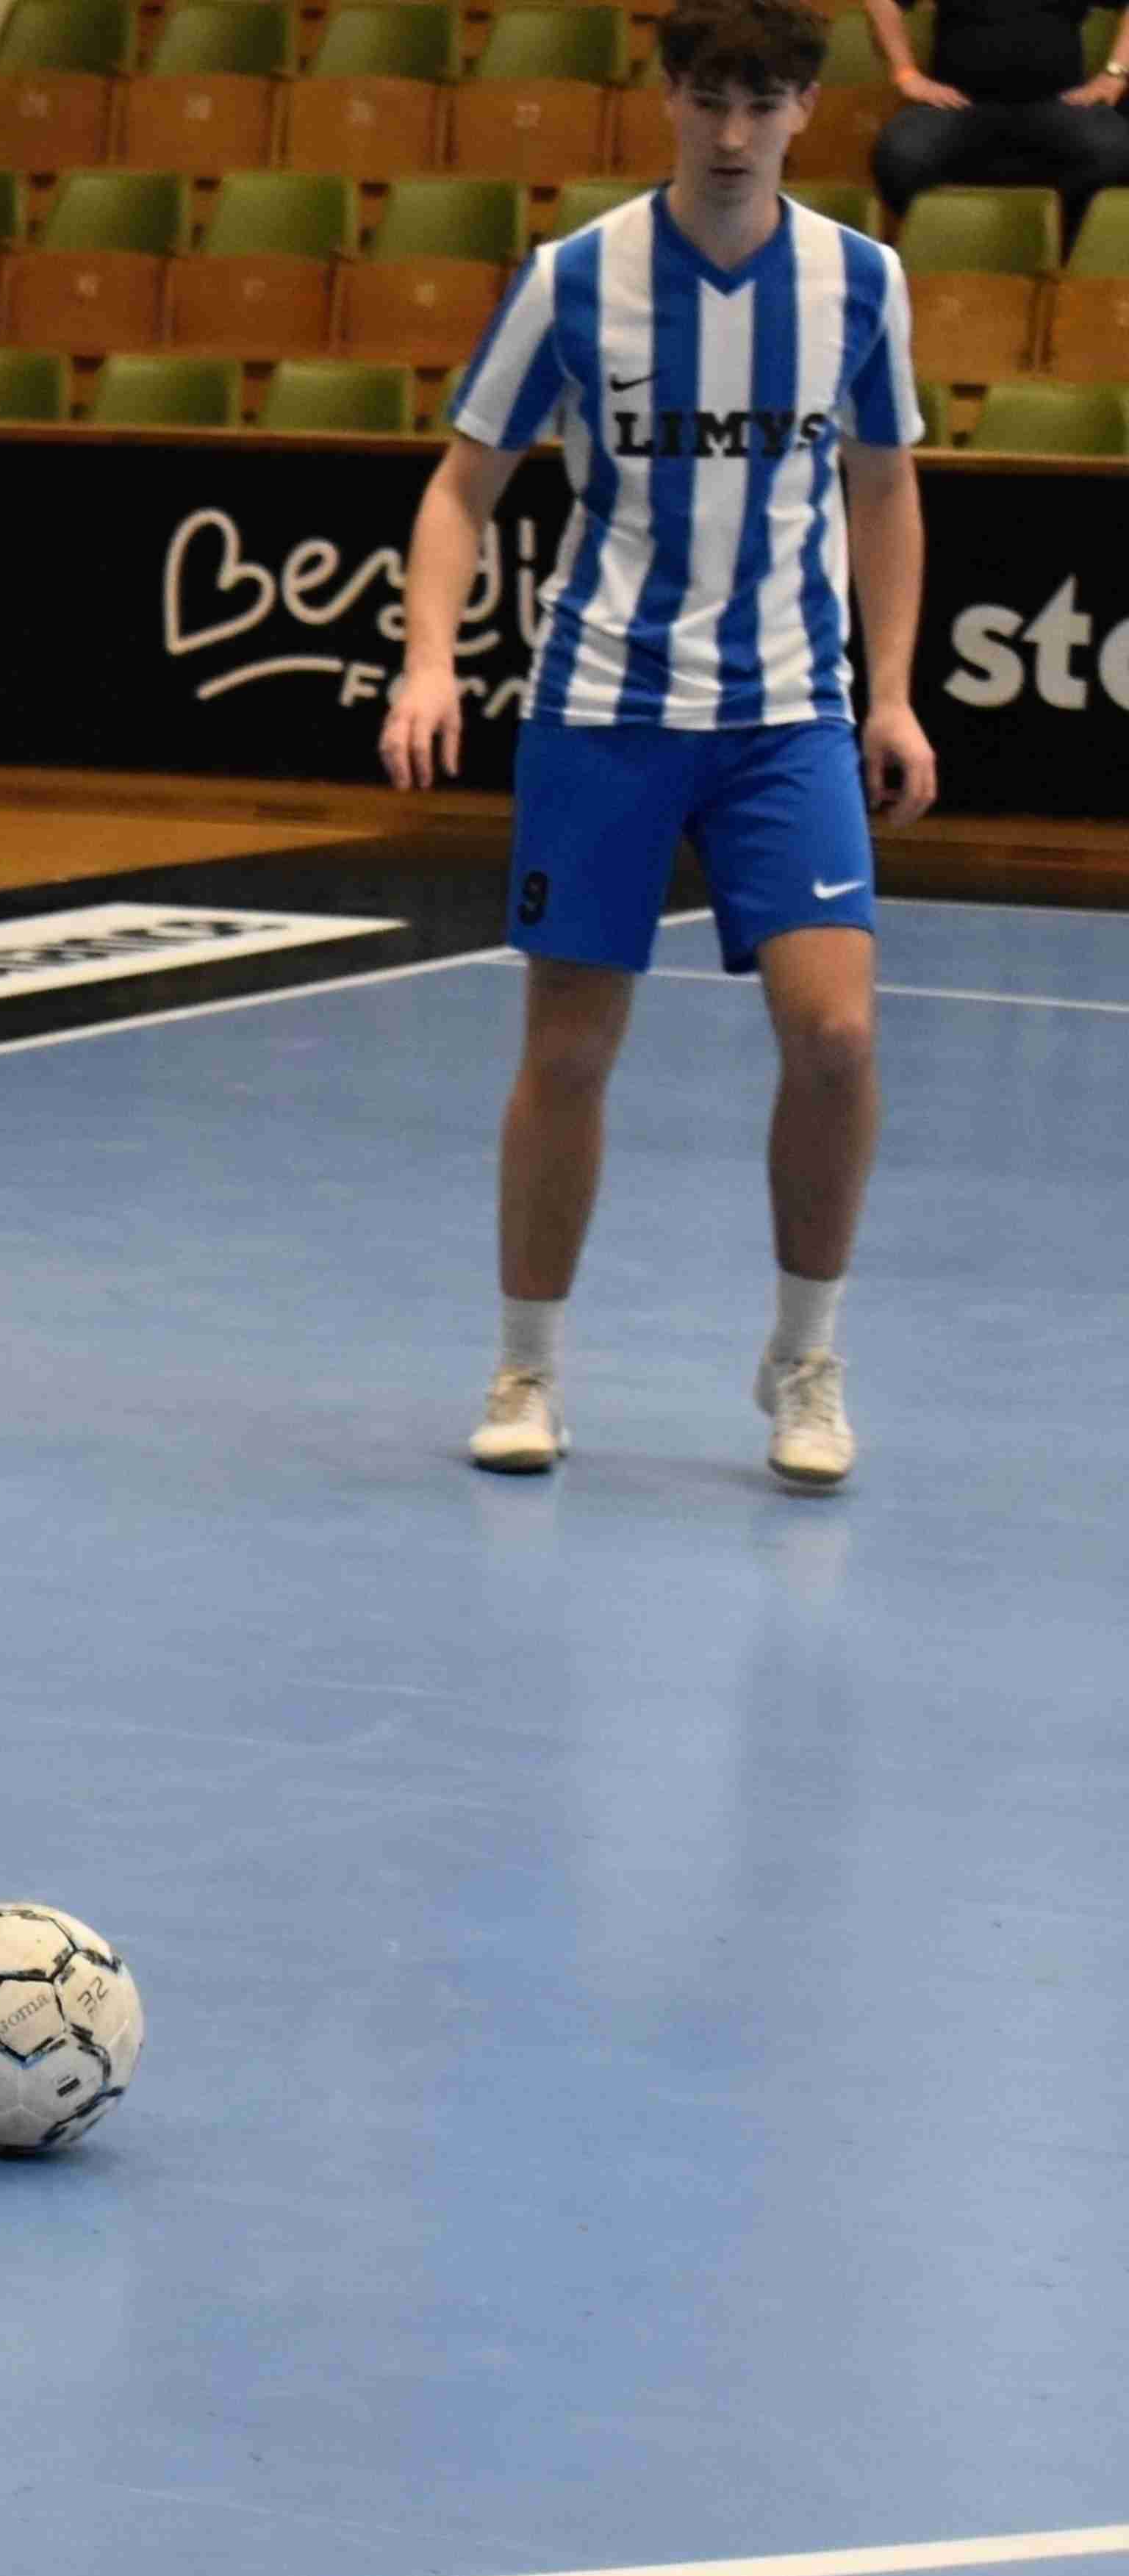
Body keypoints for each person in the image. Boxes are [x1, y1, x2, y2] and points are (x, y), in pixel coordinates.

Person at [384, 0, 937, 1493]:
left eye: (764, 103)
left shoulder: (860, 281)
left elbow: (885, 487)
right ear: (670, 100)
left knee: (837, 1037)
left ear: (807, 109)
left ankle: (804, 1358)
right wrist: (429, 662)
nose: (735, 133)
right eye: (709, 99)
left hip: (786, 717)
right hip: (604, 711)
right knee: (568, 1050)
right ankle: (527, 1366)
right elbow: (461, 486)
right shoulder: (575, 277)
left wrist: (890, 695)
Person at [862, 0, 1129, 229]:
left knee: (1118, 150)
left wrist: (1115, 74)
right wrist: (906, 74)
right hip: (957, 108)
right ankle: (961, 235)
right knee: (899, 154)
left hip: (1061, 106)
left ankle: (1051, 234)